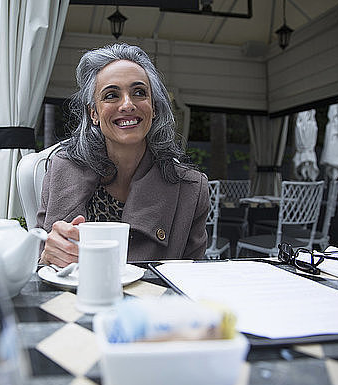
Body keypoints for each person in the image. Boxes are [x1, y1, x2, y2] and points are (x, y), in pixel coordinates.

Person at [37, 43, 209, 267]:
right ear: (94, 114)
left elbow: (194, 280)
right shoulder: (60, 170)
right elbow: (40, 262)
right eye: (111, 95)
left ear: (154, 108)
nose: (127, 105)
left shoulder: (191, 189)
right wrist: (46, 257)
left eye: (139, 92)